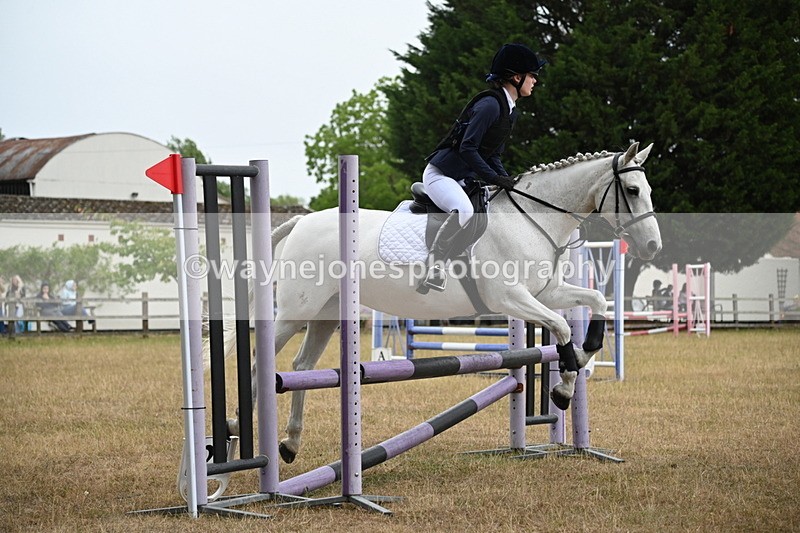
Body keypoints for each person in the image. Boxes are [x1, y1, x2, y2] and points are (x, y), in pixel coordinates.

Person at [418, 43, 546, 292]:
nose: (535, 81)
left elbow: (493, 154)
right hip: (441, 175)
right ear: (516, 77)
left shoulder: (509, 111)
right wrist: (495, 178)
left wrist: (508, 181)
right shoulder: (490, 105)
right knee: (465, 210)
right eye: (533, 75)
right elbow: (468, 148)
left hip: (463, 179)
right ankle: (434, 267)